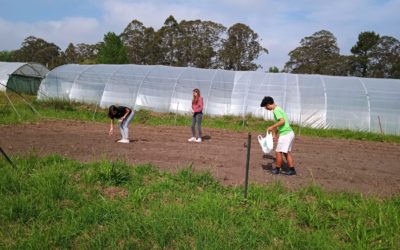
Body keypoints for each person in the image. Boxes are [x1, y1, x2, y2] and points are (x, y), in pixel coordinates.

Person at [260, 96, 296, 175]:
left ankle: (277, 169)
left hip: (285, 134)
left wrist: (272, 127)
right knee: (286, 153)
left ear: (269, 104)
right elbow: (279, 124)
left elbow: (282, 121)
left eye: (265, 107)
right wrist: (274, 135)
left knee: (278, 152)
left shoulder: (276, 110)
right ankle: (292, 169)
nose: (266, 108)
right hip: (289, 133)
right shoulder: (278, 109)